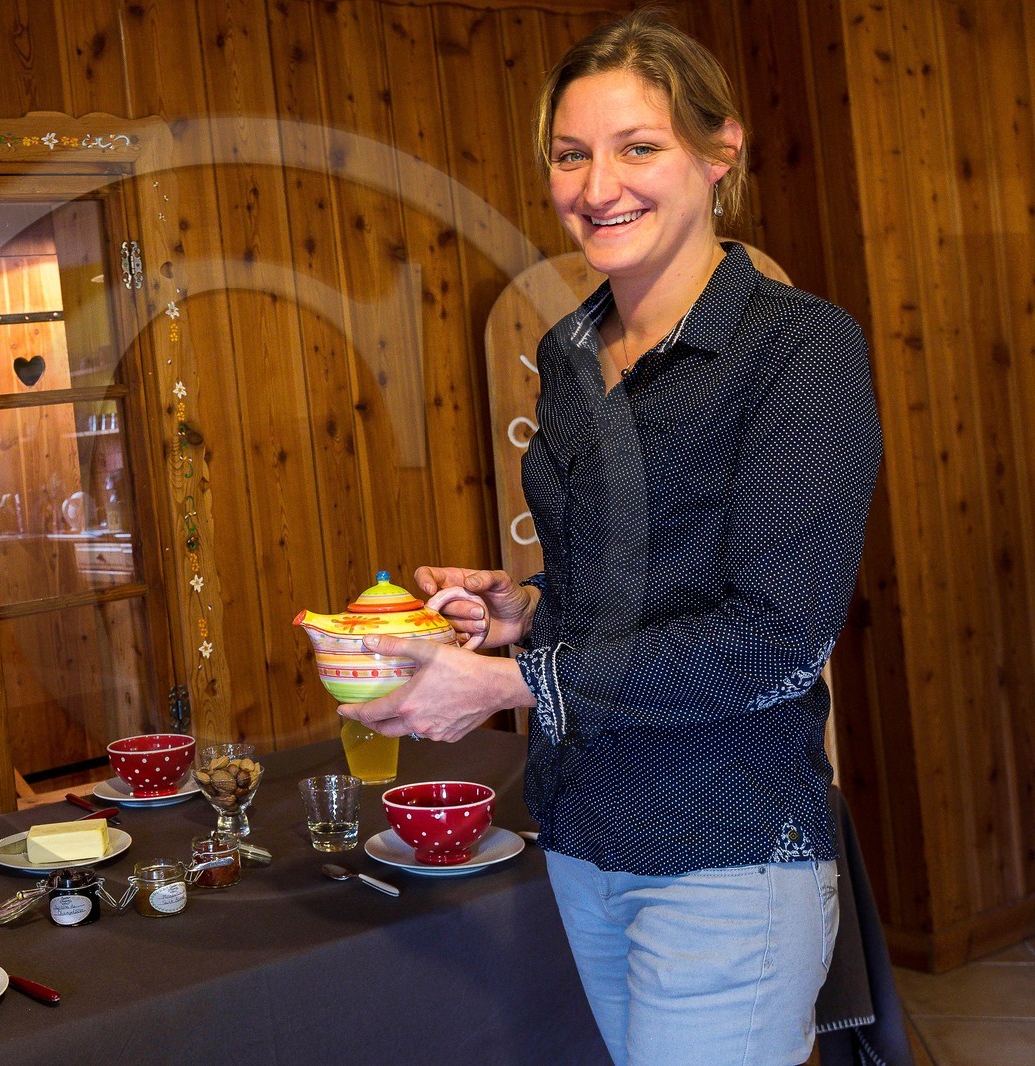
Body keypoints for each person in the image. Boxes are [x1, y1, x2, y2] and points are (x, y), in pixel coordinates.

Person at [337, 10, 882, 1065]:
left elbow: (773, 639)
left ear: (720, 155)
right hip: (584, 837)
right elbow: (642, 576)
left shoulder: (798, 347)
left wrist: (509, 684)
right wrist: (525, 606)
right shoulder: (571, 343)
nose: (598, 186)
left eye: (638, 148)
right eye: (570, 155)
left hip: (724, 851)